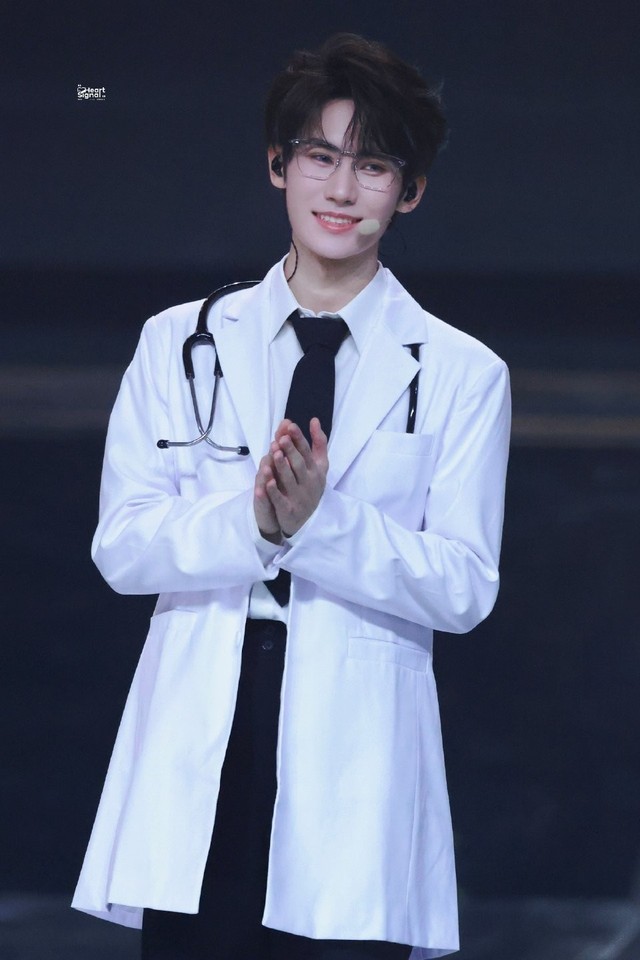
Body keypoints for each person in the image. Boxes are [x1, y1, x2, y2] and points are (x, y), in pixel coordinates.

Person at [72, 33, 510, 960]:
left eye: (374, 166)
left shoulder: (464, 373)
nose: (342, 190)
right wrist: (256, 523)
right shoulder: (177, 342)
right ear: (279, 165)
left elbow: (465, 586)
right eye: (320, 157)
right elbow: (123, 546)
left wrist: (320, 524)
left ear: (410, 190)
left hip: (357, 747)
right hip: (204, 729)